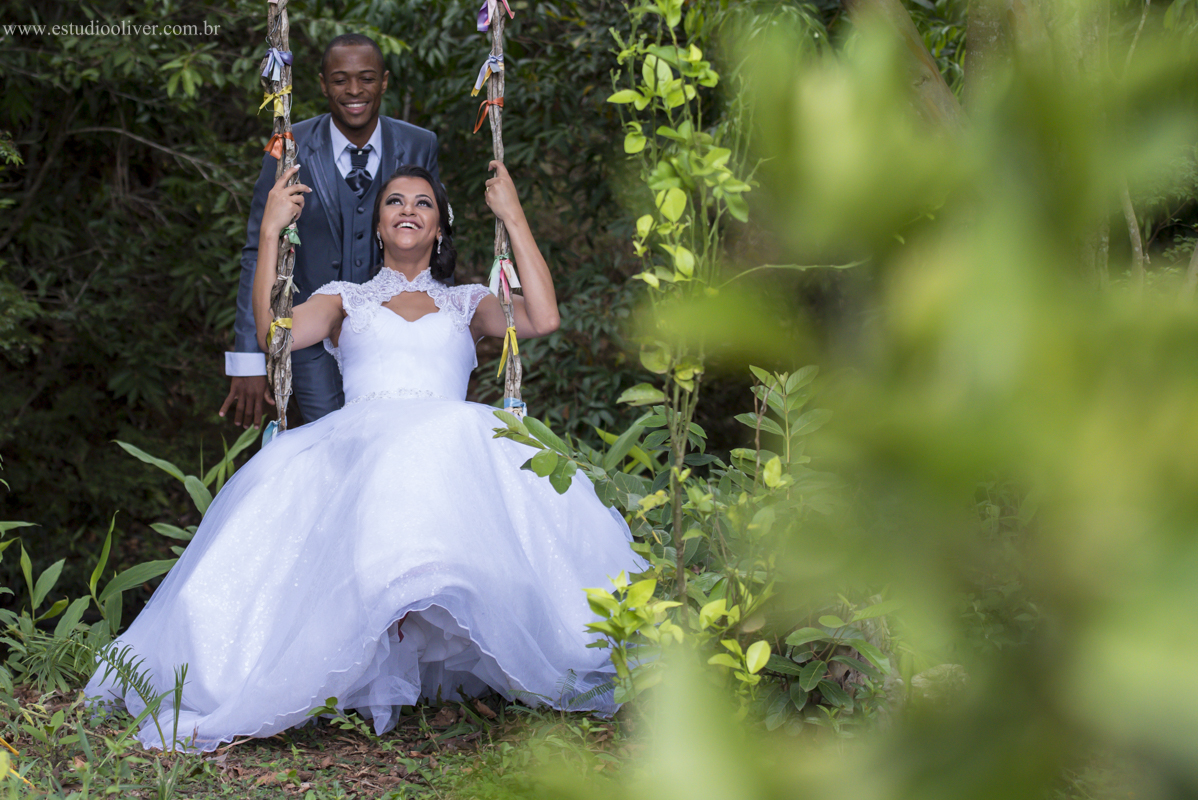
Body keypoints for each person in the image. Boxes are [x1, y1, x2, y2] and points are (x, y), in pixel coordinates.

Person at [85, 161, 645, 751]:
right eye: (395, 201)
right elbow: (274, 334)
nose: (408, 210)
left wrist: (513, 214)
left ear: (439, 227)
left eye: (423, 203)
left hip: (453, 443)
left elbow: (545, 318)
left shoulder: (468, 302)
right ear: (379, 225)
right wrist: (273, 231)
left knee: (449, 450)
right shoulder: (343, 299)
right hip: (363, 439)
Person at [220, 32, 440, 428]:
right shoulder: (289, 147)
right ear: (323, 84)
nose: (354, 90)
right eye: (340, 79)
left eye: (367, 78)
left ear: (384, 81)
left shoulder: (419, 144)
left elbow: (433, 241)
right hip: (307, 344)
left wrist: (437, 336)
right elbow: (258, 250)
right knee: (330, 445)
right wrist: (250, 358)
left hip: (388, 339)